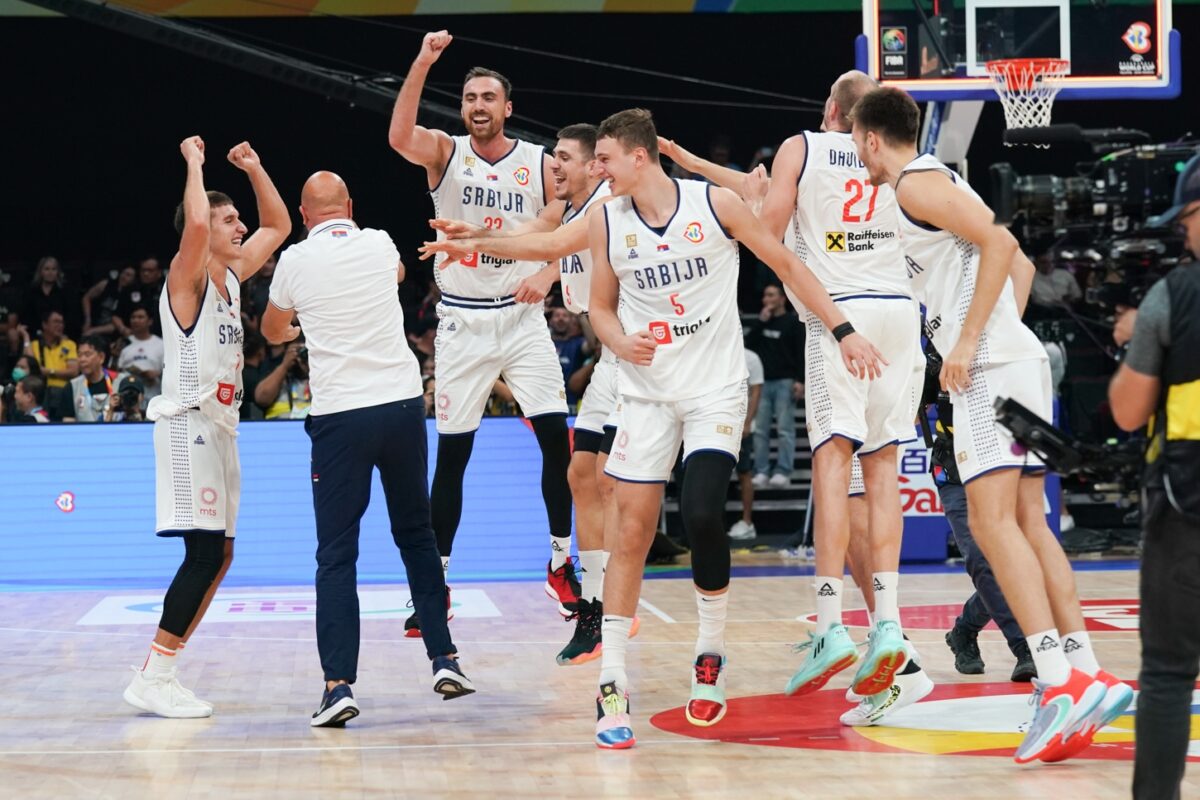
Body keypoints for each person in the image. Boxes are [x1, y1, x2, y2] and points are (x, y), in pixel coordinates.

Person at [586, 108, 884, 749]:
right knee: (630, 532)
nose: (594, 169)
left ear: (638, 156)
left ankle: (710, 653)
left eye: (603, 158)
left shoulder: (714, 205)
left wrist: (843, 328)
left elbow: (788, 265)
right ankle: (612, 680)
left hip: (714, 389)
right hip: (644, 392)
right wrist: (617, 339)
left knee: (700, 514)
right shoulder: (606, 218)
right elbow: (598, 307)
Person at [851, 86, 1131, 764]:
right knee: (1030, 522)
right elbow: (1021, 264)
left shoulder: (914, 184)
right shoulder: (937, 183)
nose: (857, 153)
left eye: (856, 142)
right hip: (1019, 359)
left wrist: (972, 339)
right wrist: (996, 329)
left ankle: (1057, 683)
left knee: (991, 523)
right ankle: (1084, 669)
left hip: (989, 369)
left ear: (870, 138)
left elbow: (1003, 243)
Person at [661, 72, 923, 707]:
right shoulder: (902, 159)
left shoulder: (801, 146)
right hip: (900, 312)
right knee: (880, 471)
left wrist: (750, 202)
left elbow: (768, 231)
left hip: (841, 317)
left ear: (830, 108)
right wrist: (702, 168)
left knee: (832, 466)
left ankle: (831, 624)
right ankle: (889, 625)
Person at [262, 171, 474, 727]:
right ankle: (445, 658)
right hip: (401, 407)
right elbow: (399, 274)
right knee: (417, 535)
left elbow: (272, 329)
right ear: (350, 206)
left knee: (337, 553)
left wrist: (297, 328)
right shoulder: (379, 242)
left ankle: (338, 687)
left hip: (341, 417)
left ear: (304, 216)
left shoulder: (294, 260)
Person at [388, 30, 575, 633]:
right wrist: (424, 61)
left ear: (507, 107)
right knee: (453, 455)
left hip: (520, 319)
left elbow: (564, 224)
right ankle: (435, 583)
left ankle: (560, 562)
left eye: (488, 97)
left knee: (556, 440)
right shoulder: (446, 153)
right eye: (470, 97)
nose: (478, 105)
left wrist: (545, 271)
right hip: (463, 321)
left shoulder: (540, 163)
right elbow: (399, 137)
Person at [418, 123, 620, 665]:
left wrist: (542, 269)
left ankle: (595, 592)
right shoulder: (570, 208)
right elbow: (542, 234)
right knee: (579, 470)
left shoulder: (608, 204)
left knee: (597, 474)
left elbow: (552, 244)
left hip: (627, 351)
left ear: (593, 165)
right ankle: (586, 599)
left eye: (564, 158)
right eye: (553, 158)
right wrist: (475, 237)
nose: (553, 166)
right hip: (475, 323)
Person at [122, 136, 290, 719]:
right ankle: (154, 674)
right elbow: (194, 222)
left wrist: (256, 167)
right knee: (202, 554)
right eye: (229, 219)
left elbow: (278, 224)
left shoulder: (232, 275)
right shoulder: (185, 276)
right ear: (204, 230)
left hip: (222, 428)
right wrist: (194, 163)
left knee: (220, 555)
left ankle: (164, 670)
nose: (241, 226)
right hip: (187, 424)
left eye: (238, 218)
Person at [1110, 152, 1200, 799]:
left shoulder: (1175, 294)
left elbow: (1127, 411)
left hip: (1186, 508)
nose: (1183, 233)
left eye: (1187, 219)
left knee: (1169, 673)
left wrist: (1136, 337)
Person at [743, 284, 804, 489]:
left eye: (771, 295)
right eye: (765, 296)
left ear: (782, 298)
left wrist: (800, 380)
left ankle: (783, 471)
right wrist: (761, 321)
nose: (766, 299)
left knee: (785, 429)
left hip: (785, 381)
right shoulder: (763, 321)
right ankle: (761, 470)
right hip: (763, 382)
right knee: (760, 430)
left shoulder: (793, 322)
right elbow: (748, 345)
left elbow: (801, 352)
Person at [728, 346, 764, 540]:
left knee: (744, 473)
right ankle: (714, 523)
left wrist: (747, 422)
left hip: (742, 426)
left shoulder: (751, 358)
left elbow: (756, 392)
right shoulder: (717, 352)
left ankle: (747, 522)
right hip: (718, 424)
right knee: (717, 475)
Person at [65, 335, 128, 423]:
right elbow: (68, 422)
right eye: (79, 355)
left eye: (87, 354)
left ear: (101, 357)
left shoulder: (121, 381)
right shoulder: (73, 386)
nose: (82, 359)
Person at [116, 305, 165, 406]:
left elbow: (169, 372)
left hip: (153, 398)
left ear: (150, 321)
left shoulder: (161, 345)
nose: (136, 320)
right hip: (128, 401)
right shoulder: (124, 344)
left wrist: (157, 374)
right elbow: (116, 372)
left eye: (140, 317)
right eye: (133, 317)